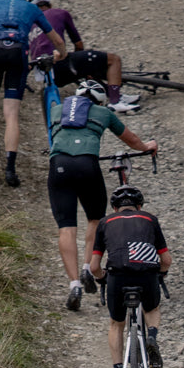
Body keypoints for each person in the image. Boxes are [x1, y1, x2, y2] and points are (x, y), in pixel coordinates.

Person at [47, 81, 157, 310]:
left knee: (66, 227)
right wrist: (148, 146)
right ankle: (88, 267)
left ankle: (74, 284)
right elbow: (132, 140)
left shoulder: (56, 109)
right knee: (95, 219)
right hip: (88, 165)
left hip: (59, 165)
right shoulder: (104, 112)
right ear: (99, 100)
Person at [0, 0, 66, 186]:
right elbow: (55, 38)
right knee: (12, 114)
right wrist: (62, 54)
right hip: (18, 53)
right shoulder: (33, 9)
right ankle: (10, 169)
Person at [89, 186, 172, 368]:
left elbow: (94, 267)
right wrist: (161, 274)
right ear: (139, 206)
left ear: (115, 208)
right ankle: (151, 336)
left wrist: (103, 279)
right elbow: (166, 260)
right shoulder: (150, 219)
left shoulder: (105, 223)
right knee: (151, 308)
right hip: (146, 275)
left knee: (116, 324)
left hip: (117, 276)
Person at [26, 0, 138, 112]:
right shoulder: (59, 13)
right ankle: (115, 101)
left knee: (84, 66)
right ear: (50, 4)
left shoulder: (29, 24)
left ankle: (113, 94)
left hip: (46, 75)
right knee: (113, 59)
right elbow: (78, 44)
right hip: (59, 61)